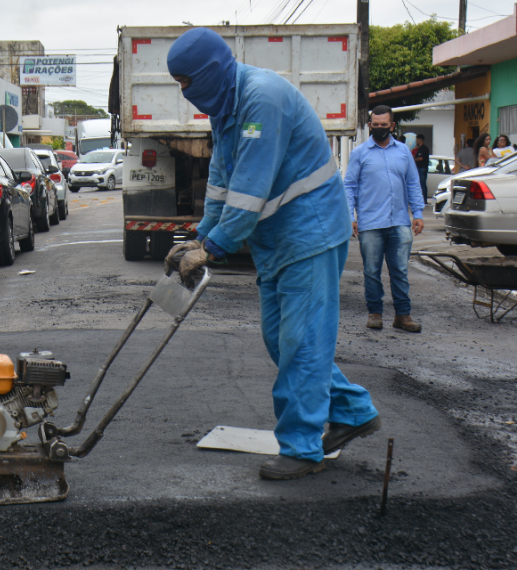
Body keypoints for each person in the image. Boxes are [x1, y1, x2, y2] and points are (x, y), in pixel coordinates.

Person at [162, 28, 380, 481]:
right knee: (280, 339)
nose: (185, 94)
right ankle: (354, 410)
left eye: (187, 82)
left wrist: (215, 249)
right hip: (278, 241)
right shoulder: (226, 109)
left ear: (209, 73)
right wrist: (199, 237)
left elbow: (250, 189)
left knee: (301, 343)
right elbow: (222, 182)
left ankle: (301, 447)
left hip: (310, 234)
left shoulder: (261, 100)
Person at [344, 105, 425, 334]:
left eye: (384, 125)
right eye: (375, 125)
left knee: (399, 270)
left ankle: (403, 315)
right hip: (370, 223)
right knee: (372, 270)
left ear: (392, 126)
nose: (379, 128)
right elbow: (349, 187)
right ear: (370, 126)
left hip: (399, 221)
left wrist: (417, 213)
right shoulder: (360, 153)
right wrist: (350, 216)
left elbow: (412, 183)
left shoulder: (402, 152)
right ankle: (375, 313)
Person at [412, 134, 431, 205]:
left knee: (422, 184)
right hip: (423, 168)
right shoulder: (423, 148)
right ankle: (423, 199)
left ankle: (423, 199)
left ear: (420, 140)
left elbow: (421, 158)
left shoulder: (422, 148)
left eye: (416, 139)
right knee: (422, 184)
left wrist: (413, 159)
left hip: (421, 168)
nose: (416, 141)